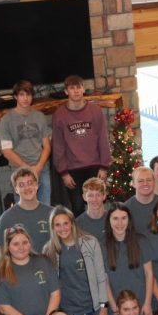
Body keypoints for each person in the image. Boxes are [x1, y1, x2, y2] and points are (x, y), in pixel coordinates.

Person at [43, 206, 109, 315]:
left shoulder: (90, 242)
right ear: (53, 228)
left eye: (66, 223)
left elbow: (101, 277)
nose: (62, 228)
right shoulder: (49, 250)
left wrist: (104, 307)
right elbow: (50, 286)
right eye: (58, 225)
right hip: (68, 308)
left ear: (72, 223)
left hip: (93, 305)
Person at [0, 225, 61, 315]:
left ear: (30, 243)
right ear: (7, 247)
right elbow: (4, 308)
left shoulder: (43, 261)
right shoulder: (2, 271)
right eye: (16, 244)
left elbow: (55, 293)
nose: (21, 247)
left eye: (25, 242)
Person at [51, 75, 111, 217]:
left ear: (83, 89)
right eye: (72, 88)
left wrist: (104, 166)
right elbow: (58, 145)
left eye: (79, 87)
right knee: (77, 208)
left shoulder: (95, 110)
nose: (76, 91)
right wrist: (64, 173)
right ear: (66, 92)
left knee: (97, 205)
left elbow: (103, 138)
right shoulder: (59, 115)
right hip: (73, 170)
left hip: (95, 166)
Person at [0, 79, 52, 206]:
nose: (25, 98)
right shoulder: (6, 120)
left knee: (45, 209)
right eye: (22, 95)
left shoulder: (40, 116)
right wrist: (27, 168)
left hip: (41, 170)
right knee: (24, 209)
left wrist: (38, 167)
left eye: (28, 94)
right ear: (16, 97)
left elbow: (47, 147)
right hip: (19, 172)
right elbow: (7, 151)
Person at [104, 202, 154, 315]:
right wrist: (114, 307)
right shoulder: (102, 246)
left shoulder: (141, 241)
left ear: (129, 220)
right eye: (115, 218)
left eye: (123, 218)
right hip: (117, 307)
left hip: (141, 305)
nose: (120, 223)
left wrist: (147, 303)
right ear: (109, 221)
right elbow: (104, 280)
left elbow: (149, 274)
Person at [0, 168, 54, 254]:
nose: (27, 188)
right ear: (16, 190)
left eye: (30, 183)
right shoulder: (6, 218)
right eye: (21, 185)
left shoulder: (52, 213)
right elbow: (3, 253)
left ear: (37, 185)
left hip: (49, 265)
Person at [125, 166, 158, 236]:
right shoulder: (126, 209)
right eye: (140, 181)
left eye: (149, 180)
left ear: (154, 182)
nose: (145, 183)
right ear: (133, 184)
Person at [76, 176, 109, 244]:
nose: (94, 199)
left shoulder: (112, 219)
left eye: (98, 195)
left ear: (104, 196)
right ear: (84, 197)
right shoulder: (78, 224)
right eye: (90, 195)